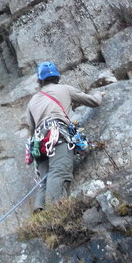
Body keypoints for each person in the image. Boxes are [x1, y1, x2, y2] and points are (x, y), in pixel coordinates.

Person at [26, 61, 104, 212]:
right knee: (59, 172)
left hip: (39, 142)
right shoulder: (64, 89)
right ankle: (56, 213)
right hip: (57, 135)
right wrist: (98, 94)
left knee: (44, 180)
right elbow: (93, 102)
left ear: (40, 79)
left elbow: (32, 128)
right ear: (56, 76)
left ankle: (40, 213)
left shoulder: (33, 101)